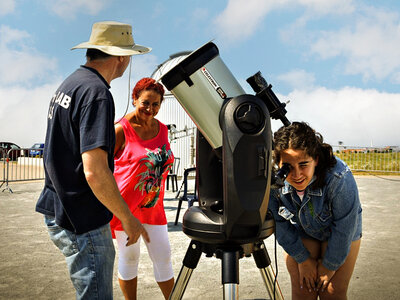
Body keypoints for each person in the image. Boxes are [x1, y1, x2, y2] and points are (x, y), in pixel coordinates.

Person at [35, 21, 151, 299]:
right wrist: (127, 217)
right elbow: (95, 171)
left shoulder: (72, 82)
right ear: (121, 57)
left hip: (58, 207)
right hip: (81, 217)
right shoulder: (98, 94)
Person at [268, 122, 362, 300]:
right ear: (278, 163)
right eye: (287, 167)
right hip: (304, 229)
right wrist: (303, 259)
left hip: (340, 231)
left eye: (303, 164)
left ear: (316, 159)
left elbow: (345, 226)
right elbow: (278, 222)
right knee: (304, 290)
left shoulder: (339, 178)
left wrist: (330, 266)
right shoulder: (272, 180)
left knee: (332, 291)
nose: (296, 175)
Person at [110, 77, 175, 300]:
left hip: (153, 207)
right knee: (129, 258)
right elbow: (100, 168)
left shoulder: (163, 130)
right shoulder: (120, 130)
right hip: (126, 209)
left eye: (156, 104)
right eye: (145, 102)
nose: (150, 109)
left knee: (164, 256)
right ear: (135, 98)